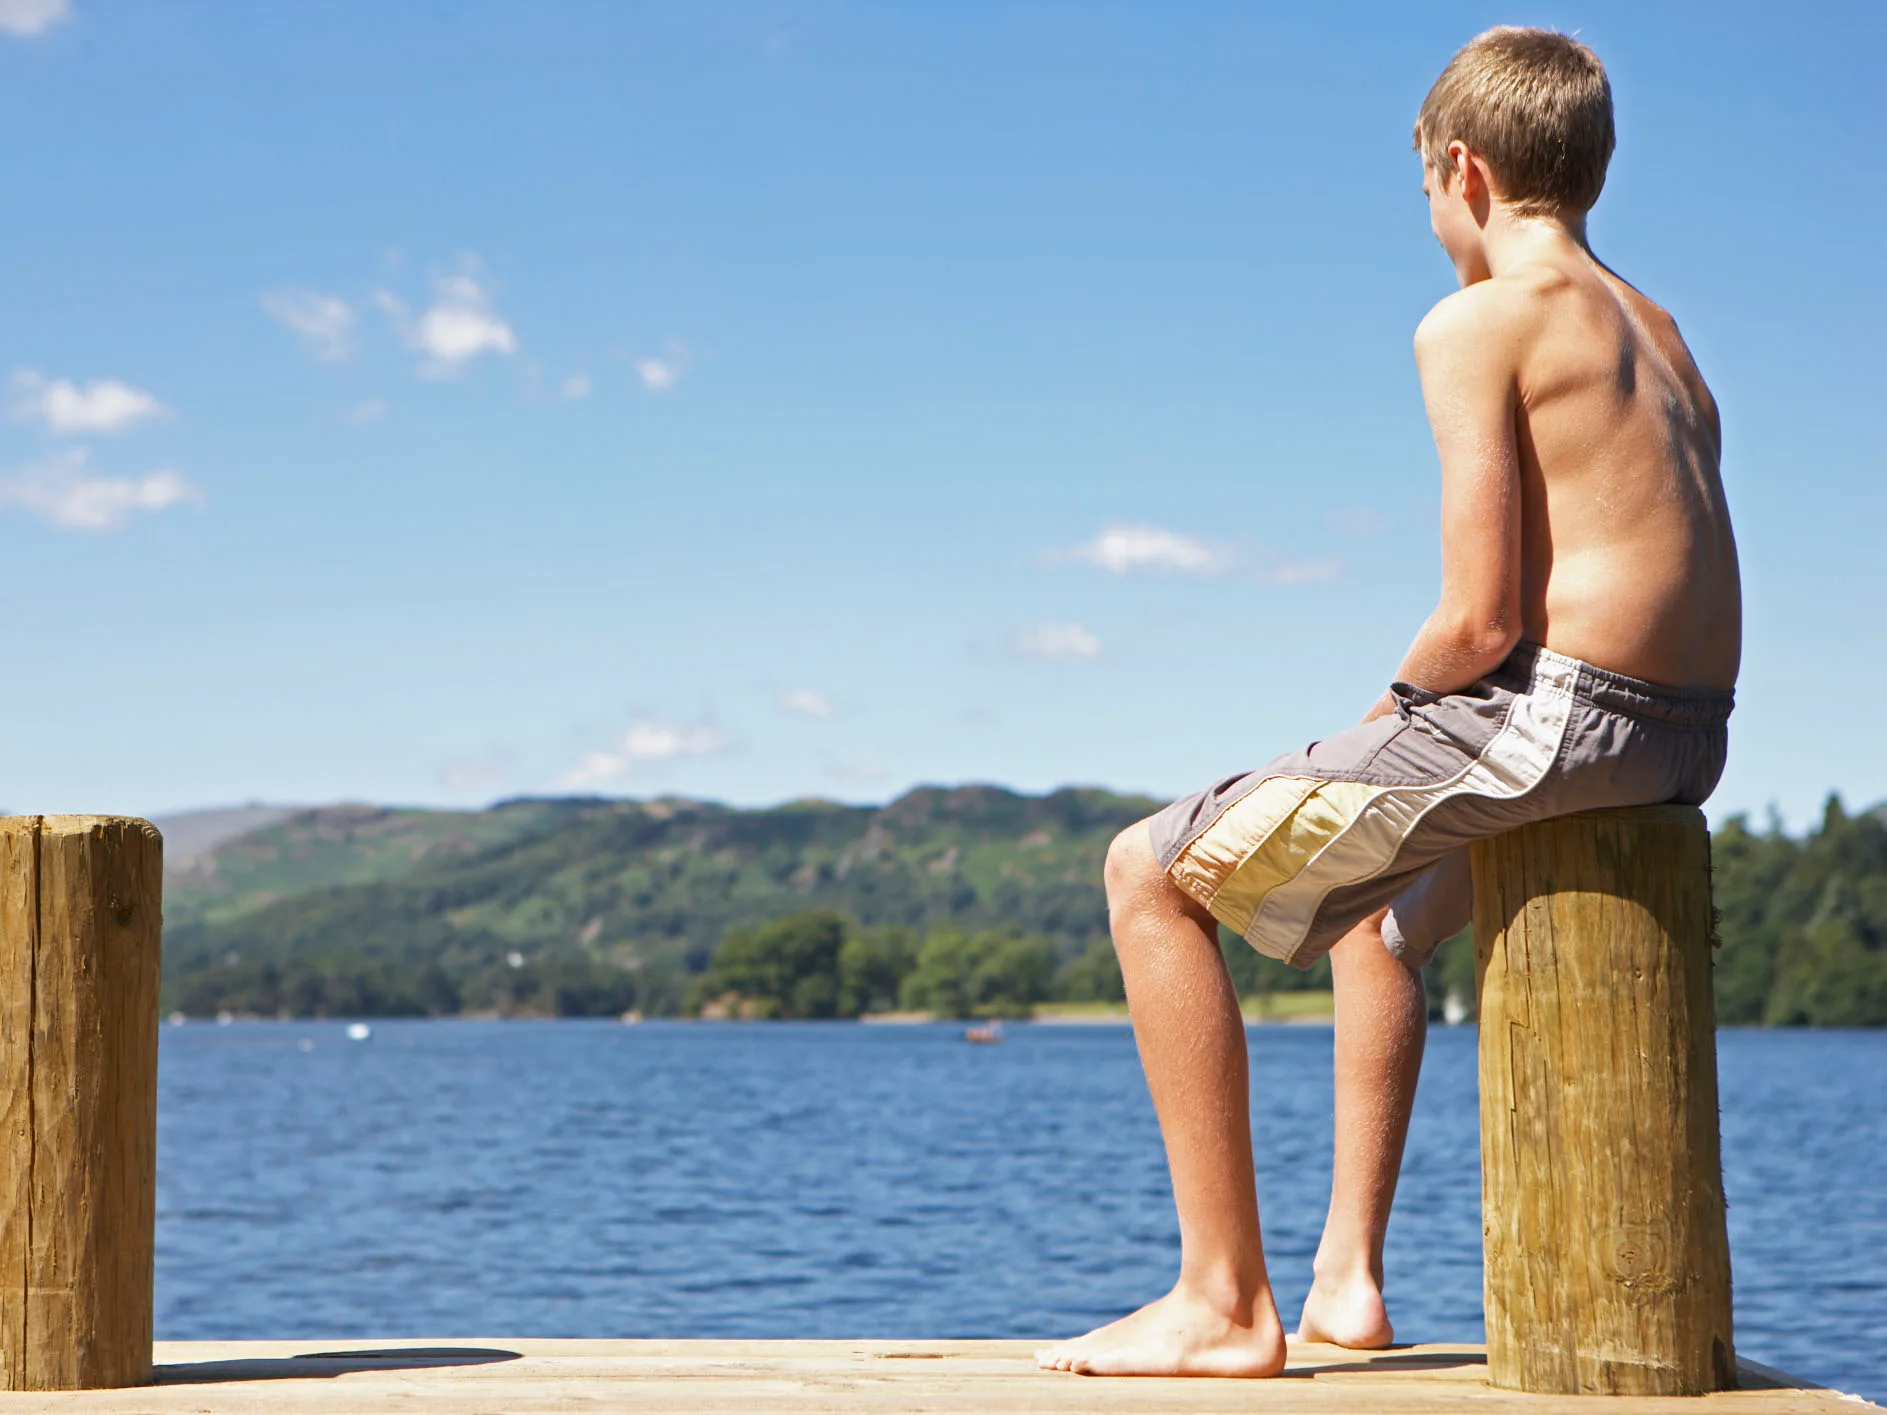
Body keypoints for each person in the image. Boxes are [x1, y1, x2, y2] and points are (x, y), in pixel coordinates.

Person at [1036, 26, 1741, 1378]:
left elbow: (1478, 620)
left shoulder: (1479, 319)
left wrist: (1361, 727)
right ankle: (1343, 1280)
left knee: (1146, 871)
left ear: (1461, 174)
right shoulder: (1657, 331)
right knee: (1375, 929)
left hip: (1563, 716)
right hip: (1679, 730)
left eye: (1424, 193)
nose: (1431, 220)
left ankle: (1218, 1299)